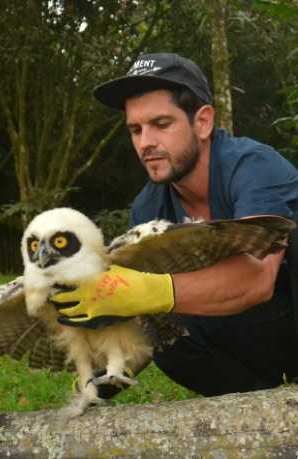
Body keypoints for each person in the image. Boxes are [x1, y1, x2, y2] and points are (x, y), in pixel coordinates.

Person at [52, 52, 298, 396]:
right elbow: (142, 322)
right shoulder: (148, 208)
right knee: (162, 330)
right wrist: (94, 385)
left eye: (161, 124)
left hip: (285, 315)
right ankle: (258, 409)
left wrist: (146, 292)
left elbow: (257, 280)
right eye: (135, 130)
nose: (145, 143)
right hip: (249, 355)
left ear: (203, 122)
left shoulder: (253, 167)